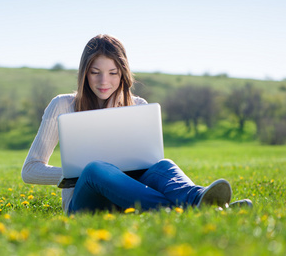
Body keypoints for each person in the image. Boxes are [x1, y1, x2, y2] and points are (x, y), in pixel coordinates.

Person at [21, 34, 252, 214]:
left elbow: (148, 165)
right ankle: (187, 210)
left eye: (113, 73)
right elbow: (30, 170)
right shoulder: (62, 105)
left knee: (163, 165)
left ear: (123, 73)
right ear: (84, 74)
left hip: (128, 199)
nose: (104, 82)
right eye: (95, 73)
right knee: (95, 169)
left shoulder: (137, 105)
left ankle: (200, 200)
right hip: (85, 205)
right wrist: (74, 174)